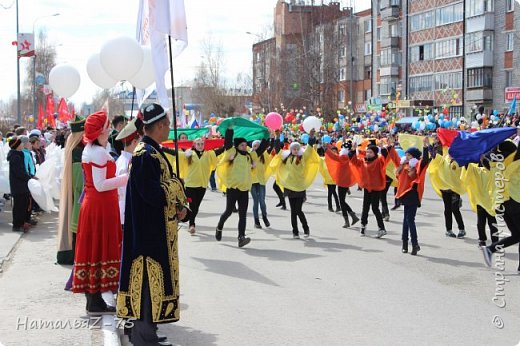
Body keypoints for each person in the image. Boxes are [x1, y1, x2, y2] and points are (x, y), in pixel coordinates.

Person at [117, 103, 188, 345]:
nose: (169, 129)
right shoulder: (144, 155)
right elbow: (152, 194)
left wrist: (179, 204)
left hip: (156, 229)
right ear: (158, 126)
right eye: (167, 125)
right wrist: (175, 188)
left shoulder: (154, 152)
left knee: (154, 284)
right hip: (147, 233)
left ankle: (150, 330)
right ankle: (143, 336)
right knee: (147, 284)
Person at [72, 111, 128, 315]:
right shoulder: (95, 152)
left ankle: (94, 299)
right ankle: (94, 300)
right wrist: (126, 178)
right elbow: (100, 184)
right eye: (106, 127)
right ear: (100, 131)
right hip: (99, 206)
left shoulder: (94, 149)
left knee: (94, 249)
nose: (109, 130)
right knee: (97, 248)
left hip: (99, 205)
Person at [216, 126, 266, 247]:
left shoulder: (249, 156)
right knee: (228, 211)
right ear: (237, 146)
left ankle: (241, 237)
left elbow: (261, 150)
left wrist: (267, 136)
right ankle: (219, 227)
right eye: (242, 145)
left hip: (244, 189)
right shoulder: (233, 152)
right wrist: (230, 130)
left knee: (242, 215)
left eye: (245, 145)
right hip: (233, 189)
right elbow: (227, 143)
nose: (244, 147)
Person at [165, 137, 225, 235]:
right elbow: (175, 153)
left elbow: (220, 150)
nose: (200, 146)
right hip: (190, 185)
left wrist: (229, 136)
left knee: (196, 207)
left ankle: (186, 219)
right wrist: (161, 148)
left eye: (202, 144)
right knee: (192, 205)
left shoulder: (208, 154)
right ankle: (192, 225)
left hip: (202, 185)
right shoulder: (189, 154)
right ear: (194, 145)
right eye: (198, 144)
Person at [482, 135, 520, 270]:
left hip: (501, 204)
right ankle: (490, 249)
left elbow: (486, 162)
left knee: (516, 235)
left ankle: (490, 249)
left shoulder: (497, 163)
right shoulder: (515, 161)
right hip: (514, 201)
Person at [349, 137, 397, 238]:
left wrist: (386, 147)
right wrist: (353, 150)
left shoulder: (379, 161)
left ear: (375, 153)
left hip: (377, 188)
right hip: (367, 187)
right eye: (367, 152)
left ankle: (382, 228)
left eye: (370, 152)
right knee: (365, 208)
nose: (368, 154)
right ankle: (363, 226)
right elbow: (353, 161)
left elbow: (385, 157)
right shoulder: (363, 161)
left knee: (375, 208)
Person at [271, 141, 320, 239]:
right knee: (293, 211)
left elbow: (309, 150)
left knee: (298, 210)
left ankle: (306, 228)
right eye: (294, 149)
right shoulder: (286, 158)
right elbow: (278, 151)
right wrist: (276, 138)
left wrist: (311, 138)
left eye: (298, 149)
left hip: (300, 187)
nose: (296, 150)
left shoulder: (302, 157)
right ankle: (295, 232)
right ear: (291, 150)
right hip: (289, 187)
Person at [57, 115, 86, 266]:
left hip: (75, 195)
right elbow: (79, 184)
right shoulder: (78, 150)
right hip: (78, 196)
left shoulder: (73, 146)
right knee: (76, 225)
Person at [395, 138, 431, 255]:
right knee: (406, 220)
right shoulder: (404, 165)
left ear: (414, 156)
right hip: (404, 194)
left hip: (413, 195)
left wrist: (425, 147)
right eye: (406, 155)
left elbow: (425, 160)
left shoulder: (417, 165)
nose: (407, 157)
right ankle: (405, 244)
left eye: (409, 155)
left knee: (410, 220)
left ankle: (415, 244)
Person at [428, 141, 466, 238]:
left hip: (455, 189)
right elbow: (433, 155)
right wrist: (428, 144)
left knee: (455, 209)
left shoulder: (460, 162)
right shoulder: (443, 160)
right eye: (450, 152)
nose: (452, 154)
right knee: (447, 209)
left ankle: (461, 229)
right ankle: (448, 230)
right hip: (445, 189)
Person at [324, 140, 359, 228]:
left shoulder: (344, 157)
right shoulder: (349, 157)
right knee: (342, 200)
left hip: (342, 180)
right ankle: (351, 217)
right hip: (346, 180)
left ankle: (351, 218)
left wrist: (326, 149)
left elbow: (333, 157)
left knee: (342, 201)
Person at [115, 118, 143, 228]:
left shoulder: (122, 160)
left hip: (125, 211)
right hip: (127, 212)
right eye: (140, 142)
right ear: (135, 142)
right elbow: (128, 192)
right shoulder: (127, 163)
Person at [7, 137, 36, 232]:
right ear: (16, 145)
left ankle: (22, 222)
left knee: (23, 205)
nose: (22, 145)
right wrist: (29, 178)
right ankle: (17, 225)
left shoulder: (18, 155)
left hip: (21, 185)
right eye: (20, 143)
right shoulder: (15, 157)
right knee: (19, 206)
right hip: (18, 186)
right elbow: (19, 172)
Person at [251, 139, 272, 229]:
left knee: (262, 201)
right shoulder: (250, 155)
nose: (256, 148)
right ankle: (256, 221)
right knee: (256, 201)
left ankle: (264, 217)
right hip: (252, 182)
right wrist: (251, 166)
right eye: (254, 146)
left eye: (258, 146)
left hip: (261, 182)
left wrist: (273, 138)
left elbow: (272, 147)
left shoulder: (265, 156)